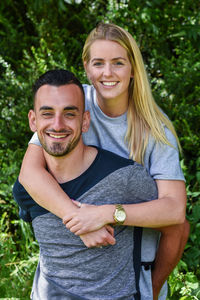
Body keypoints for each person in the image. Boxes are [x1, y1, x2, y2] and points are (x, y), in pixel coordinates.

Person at [18, 23, 189, 300]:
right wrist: (79, 221)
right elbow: (29, 173)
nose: (107, 73)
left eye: (118, 63)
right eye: (98, 63)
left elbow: (174, 212)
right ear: (86, 67)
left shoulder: (155, 130)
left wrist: (105, 214)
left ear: (133, 68)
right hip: (66, 271)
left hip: (132, 272)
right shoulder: (71, 103)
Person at [14, 69, 160, 300]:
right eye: (47, 113)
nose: (58, 124)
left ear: (85, 121)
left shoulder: (126, 177)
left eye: (69, 114)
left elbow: (175, 224)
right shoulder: (27, 187)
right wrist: (79, 222)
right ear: (33, 120)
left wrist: (153, 289)